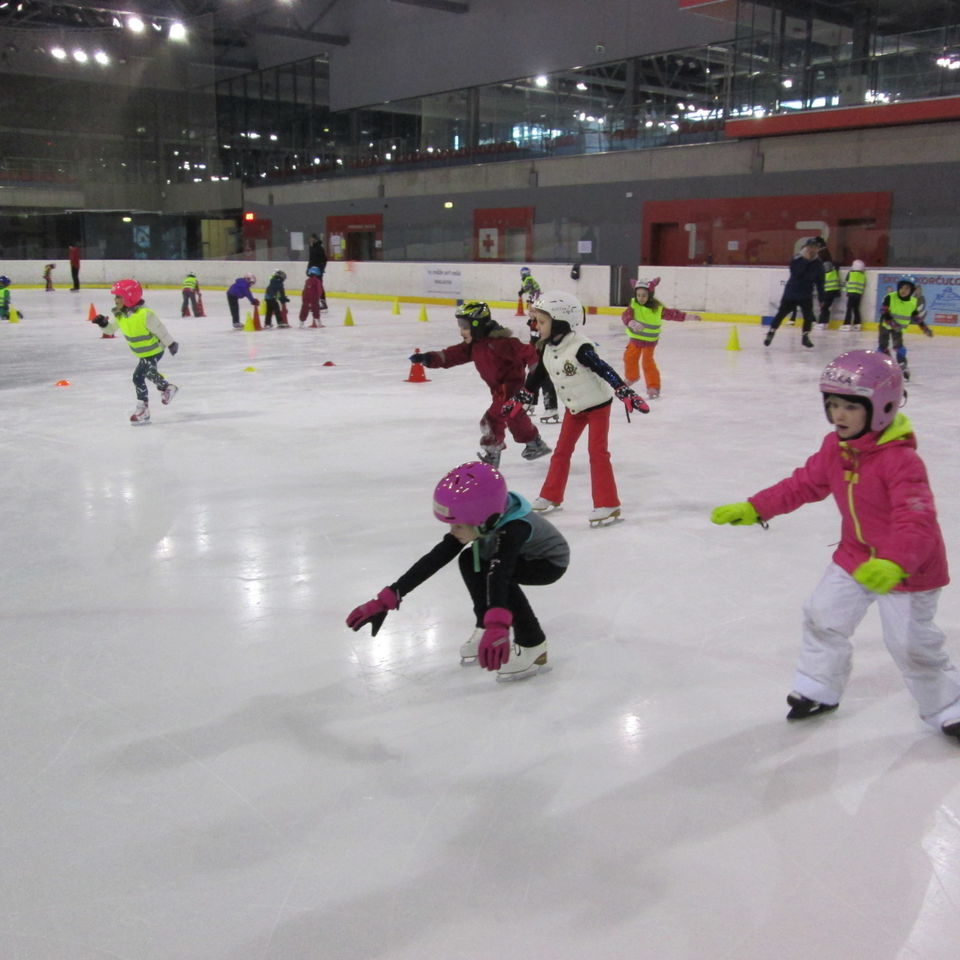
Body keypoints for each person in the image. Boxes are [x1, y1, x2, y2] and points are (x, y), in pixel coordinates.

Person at [710, 349, 960, 741]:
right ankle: (818, 687)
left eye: (849, 406)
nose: (838, 415)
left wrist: (895, 563)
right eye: (832, 405)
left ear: (881, 407)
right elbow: (803, 484)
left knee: (911, 643)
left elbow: (918, 522)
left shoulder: (901, 462)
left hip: (909, 571)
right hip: (855, 558)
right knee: (822, 616)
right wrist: (755, 507)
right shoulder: (837, 448)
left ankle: (949, 706)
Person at [346, 460, 569, 681]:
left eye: (458, 525)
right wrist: (388, 598)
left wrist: (498, 625)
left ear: (484, 517)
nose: (454, 531)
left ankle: (533, 644)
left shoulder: (516, 528)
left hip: (547, 563)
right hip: (504, 555)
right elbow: (436, 558)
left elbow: (500, 574)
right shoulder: (486, 518)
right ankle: (483, 625)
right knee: (468, 560)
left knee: (496, 573)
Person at [517, 290, 649, 526]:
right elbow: (536, 377)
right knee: (561, 451)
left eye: (542, 321)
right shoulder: (547, 347)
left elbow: (603, 368)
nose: (537, 325)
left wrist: (623, 390)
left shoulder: (580, 347)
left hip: (597, 405)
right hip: (574, 407)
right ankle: (551, 495)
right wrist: (522, 397)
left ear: (560, 323)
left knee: (597, 453)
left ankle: (609, 504)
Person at [409, 300, 550, 467]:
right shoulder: (474, 345)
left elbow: (529, 352)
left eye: (464, 325)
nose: (461, 330)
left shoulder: (503, 343)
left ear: (477, 324)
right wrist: (428, 358)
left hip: (511, 390)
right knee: (514, 418)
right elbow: (452, 355)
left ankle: (492, 454)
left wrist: (536, 372)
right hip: (498, 391)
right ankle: (535, 444)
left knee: (491, 420)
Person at [92, 279, 179, 426]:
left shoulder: (145, 314)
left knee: (138, 377)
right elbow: (111, 330)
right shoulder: (120, 314)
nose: (116, 300)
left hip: (154, 350)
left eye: (119, 297)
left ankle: (143, 411)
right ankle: (168, 388)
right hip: (143, 353)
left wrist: (171, 343)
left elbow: (160, 329)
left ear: (130, 297)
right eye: (116, 297)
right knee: (150, 374)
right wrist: (103, 323)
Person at [764, 238, 824, 348]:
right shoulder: (797, 259)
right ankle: (771, 332)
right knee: (781, 313)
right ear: (807, 247)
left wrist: (821, 298)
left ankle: (805, 336)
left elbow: (820, 281)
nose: (813, 249)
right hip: (792, 292)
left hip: (805, 294)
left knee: (808, 316)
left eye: (816, 247)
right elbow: (796, 273)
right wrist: (805, 261)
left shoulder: (818, 263)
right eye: (811, 247)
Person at [878, 275, 933, 380]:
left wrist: (925, 328)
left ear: (911, 290)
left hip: (898, 330)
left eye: (907, 288)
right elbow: (883, 312)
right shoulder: (890, 297)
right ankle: (886, 364)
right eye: (902, 287)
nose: (904, 290)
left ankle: (902, 364)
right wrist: (892, 324)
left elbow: (916, 317)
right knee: (883, 346)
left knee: (899, 347)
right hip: (885, 326)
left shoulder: (912, 302)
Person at [622, 277, 664, 399]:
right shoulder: (634, 305)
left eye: (644, 295)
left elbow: (672, 314)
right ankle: (632, 377)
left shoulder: (657, 308)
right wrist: (631, 322)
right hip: (635, 340)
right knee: (629, 357)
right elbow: (626, 316)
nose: (641, 298)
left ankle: (653, 386)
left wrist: (686, 316)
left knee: (647, 363)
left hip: (650, 342)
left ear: (650, 295)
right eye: (638, 295)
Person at [816, 239, 841, 328]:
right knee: (826, 307)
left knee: (824, 307)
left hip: (828, 290)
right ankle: (824, 323)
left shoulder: (825, 266)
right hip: (833, 289)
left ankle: (822, 322)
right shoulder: (832, 266)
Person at [841, 259, 866, 331]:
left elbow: (846, 283)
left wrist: (845, 291)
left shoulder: (850, 273)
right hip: (858, 294)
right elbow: (864, 285)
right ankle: (857, 324)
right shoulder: (862, 275)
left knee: (849, 308)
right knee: (856, 308)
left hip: (851, 293)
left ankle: (847, 324)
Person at [307, 233, 328, 310]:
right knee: (311, 287)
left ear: (315, 239)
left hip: (318, 270)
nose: (310, 240)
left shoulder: (319, 248)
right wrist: (308, 268)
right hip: (312, 270)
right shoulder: (311, 247)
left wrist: (321, 269)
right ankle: (313, 303)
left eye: (311, 238)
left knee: (319, 286)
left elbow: (324, 259)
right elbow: (311, 260)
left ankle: (323, 303)